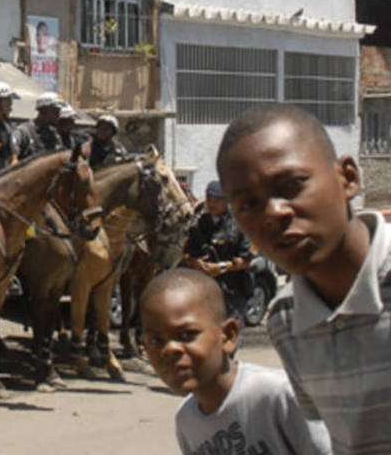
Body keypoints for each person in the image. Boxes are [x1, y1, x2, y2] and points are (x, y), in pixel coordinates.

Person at [217, 103, 391, 453]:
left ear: (348, 178)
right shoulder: (285, 320)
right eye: (249, 205)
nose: (273, 213)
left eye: (292, 185)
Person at [140, 268, 331, 455]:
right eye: (155, 341)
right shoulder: (187, 421)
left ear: (228, 335)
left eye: (186, 334)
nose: (169, 350)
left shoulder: (277, 395)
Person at [183, 180, 254, 321]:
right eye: (209, 199)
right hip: (203, 291)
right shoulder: (199, 223)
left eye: (217, 200)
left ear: (227, 200)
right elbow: (186, 254)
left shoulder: (240, 223)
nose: (212, 203)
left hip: (232, 291)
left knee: (229, 335)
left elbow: (247, 260)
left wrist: (220, 267)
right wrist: (196, 263)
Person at [10, 91, 64, 161]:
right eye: (55, 111)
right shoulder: (23, 132)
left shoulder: (54, 135)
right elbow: (13, 160)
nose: (58, 115)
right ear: (43, 110)